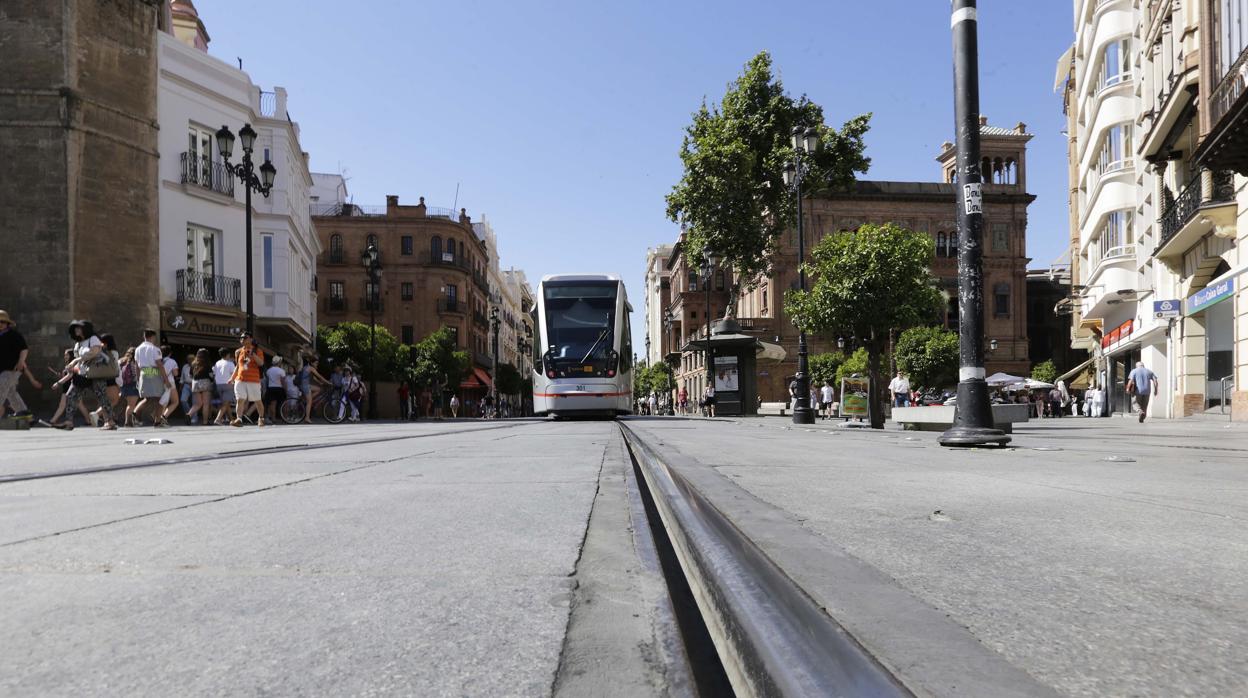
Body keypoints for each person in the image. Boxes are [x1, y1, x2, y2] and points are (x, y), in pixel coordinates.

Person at [64, 320, 118, 430]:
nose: (77, 330)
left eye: (79, 328)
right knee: (71, 395)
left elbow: (95, 352)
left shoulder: (93, 339)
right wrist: (72, 367)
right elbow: (78, 360)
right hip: (82, 373)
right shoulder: (78, 344)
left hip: (95, 372)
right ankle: (68, 422)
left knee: (102, 397)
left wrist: (76, 360)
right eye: (75, 328)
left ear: (85, 329)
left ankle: (110, 422)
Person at [0, 309, 32, 420]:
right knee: (10, 392)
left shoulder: (13, 334)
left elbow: (24, 349)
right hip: (2, 369)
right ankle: (24, 414)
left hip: (12, 369)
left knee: (1, 387)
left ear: (7, 323)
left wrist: (21, 362)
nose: (0, 324)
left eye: (2, 322)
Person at [229, 332, 265, 427]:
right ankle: (239, 419)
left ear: (251, 339)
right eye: (241, 338)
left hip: (253, 380)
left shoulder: (257, 350)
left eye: (245, 337)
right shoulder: (238, 351)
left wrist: (253, 355)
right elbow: (238, 366)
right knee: (240, 399)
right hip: (240, 379)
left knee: (257, 400)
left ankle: (261, 418)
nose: (242, 339)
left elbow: (261, 363)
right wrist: (232, 377)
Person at [299, 356, 329, 424]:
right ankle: (307, 418)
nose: (317, 364)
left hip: (305, 385)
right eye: (316, 363)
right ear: (312, 363)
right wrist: (328, 382)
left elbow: (315, 379)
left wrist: (320, 383)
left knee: (319, 389)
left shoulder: (306, 367)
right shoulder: (311, 368)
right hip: (305, 386)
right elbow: (319, 376)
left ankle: (307, 399)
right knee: (309, 402)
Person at [188, 349, 214, 425]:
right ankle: (205, 422)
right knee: (206, 404)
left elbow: (190, 375)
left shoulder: (193, 364)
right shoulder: (207, 363)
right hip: (205, 383)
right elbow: (211, 375)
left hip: (195, 384)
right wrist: (212, 380)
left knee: (198, 404)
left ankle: (188, 415)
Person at [116, 347, 140, 426]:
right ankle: (127, 422)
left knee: (128, 404)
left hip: (123, 385)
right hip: (132, 385)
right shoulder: (134, 362)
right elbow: (136, 375)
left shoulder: (121, 361)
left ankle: (127, 421)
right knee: (131, 405)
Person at [212, 347, 236, 425]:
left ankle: (231, 419)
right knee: (225, 404)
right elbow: (234, 374)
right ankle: (218, 419)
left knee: (226, 403)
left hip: (218, 385)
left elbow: (214, 373)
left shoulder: (217, 363)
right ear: (228, 354)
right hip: (228, 384)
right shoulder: (230, 363)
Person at [157, 345, 180, 425]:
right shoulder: (172, 361)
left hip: (158, 382)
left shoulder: (158, 361)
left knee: (163, 401)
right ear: (170, 353)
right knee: (175, 401)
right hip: (169, 382)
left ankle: (159, 419)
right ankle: (164, 416)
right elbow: (175, 373)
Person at [263, 356, 287, 423]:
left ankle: (273, 418)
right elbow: (283, 381)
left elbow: (267, 379)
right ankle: (284, 417)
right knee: (283, 404)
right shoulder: (281, 371)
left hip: (271, 388)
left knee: (272, 404)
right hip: (279, 388)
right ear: (279, 362)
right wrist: (286, 389)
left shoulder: (268, 370)